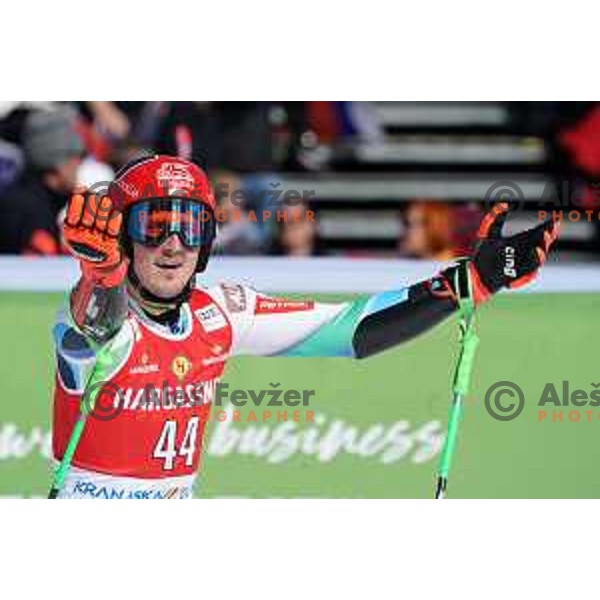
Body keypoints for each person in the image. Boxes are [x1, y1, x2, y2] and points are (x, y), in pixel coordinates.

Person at [51, 155, 559, 499]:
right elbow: (99, 326)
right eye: (154, 225)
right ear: (121, 238)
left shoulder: (220, 311)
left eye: (191, 226)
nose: (174, 244)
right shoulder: (91, 314)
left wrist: (467, 281)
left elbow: (349, 329)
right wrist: (103, 275)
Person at [0, 107, 85, 254]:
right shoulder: (29, 214)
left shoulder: (39, 203)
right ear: (56, 162)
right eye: (73, 156)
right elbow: (33, 273)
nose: (79, 164)